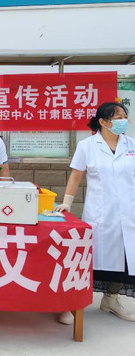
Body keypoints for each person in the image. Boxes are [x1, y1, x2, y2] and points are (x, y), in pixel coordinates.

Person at [55, 102, 135, 325]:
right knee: (86, 260)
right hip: (100, 213)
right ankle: (71, 304)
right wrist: (67, 203)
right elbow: (76, 176)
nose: (123, 121)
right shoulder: (87, 146)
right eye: (117, 117)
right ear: (103, 121)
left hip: (128, 213)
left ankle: (111, 299)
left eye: (124, 116)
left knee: (125, 260)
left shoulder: (131, 145)